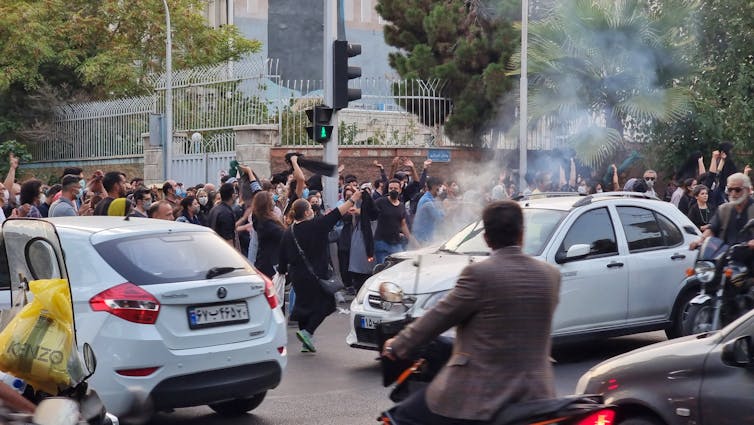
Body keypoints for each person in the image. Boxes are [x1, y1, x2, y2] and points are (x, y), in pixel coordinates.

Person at [382, 200, 561, 424]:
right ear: (522, 234)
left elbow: (437, 318)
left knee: (401, 417)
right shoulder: (550, 275)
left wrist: (397, 345)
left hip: (483, 396)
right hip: (539, 393)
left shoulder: (479, 274)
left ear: (486, 238)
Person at [277, 190, 363, 353]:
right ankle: (307, 332)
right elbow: (337, 214)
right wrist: (353, 199)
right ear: (308, 212)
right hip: (316, 275)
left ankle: (306, 343)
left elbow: (282, 255)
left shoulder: (289, 231)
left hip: (297, 276)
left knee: (304, 307)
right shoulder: (316, 225)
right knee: (327, 304)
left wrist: (282, 271)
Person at [690, 173, 754, 250]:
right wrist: (699, 241)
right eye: (730, 190)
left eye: (737, 190)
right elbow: (712, 229)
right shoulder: (723, 209)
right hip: (725, 255)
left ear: (747, 190)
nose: (733, 194)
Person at [369, 179, 415, 265]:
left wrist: (412, 239)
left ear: (400, 190)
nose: (393, 190)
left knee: (399, 266)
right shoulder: (381, 202)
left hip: (396, 243)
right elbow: (369, 210)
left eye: (395, 188)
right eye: (390, 188)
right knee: (384, 269)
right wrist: (356, 210)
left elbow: (403, 224)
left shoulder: (401, 206)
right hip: (381, 242)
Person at [251, 190, 285, 278]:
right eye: (271, 200)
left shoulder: (259, 219)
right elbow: (284, 236)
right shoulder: (267, 223)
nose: (274, 202)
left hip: (263, 262)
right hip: (270, 265)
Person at [412, 177, 446, 246]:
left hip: (427, 236)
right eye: (439, 186)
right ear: (433, 186)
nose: (441, 189)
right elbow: (439, 218)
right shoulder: (427, 201)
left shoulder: (430, 199)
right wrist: (446, 208)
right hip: (423, 238)